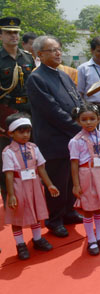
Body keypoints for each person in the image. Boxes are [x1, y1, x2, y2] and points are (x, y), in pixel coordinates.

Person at [26, 35, 83, 238]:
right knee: (57, 181)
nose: (58, 53)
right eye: (52, 50)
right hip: (54, 139)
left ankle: (68, 212)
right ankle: (54, 219)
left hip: (71, 139)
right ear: (39, 54)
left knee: (70, 178)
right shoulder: (37, 78)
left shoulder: (63, 75)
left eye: (59, 49)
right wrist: (79, 130)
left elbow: (76, 100)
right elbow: (53, 112)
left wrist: (85, 118)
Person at [3, 113, 60, 260]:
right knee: (17, 216)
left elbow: (41, 168)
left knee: (36, 213)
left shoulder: (34, 148)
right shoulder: (8, 152)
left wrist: (50, 184)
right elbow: (9, 174)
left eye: (28, 131)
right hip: (18, 187)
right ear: (11, 133)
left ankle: (37, 239)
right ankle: (20, 244)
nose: (25, 135)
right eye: (21, 132)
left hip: (34, 185)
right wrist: (11, 195)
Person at [69, 103, 100, 255]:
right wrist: (76, 185)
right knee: (89, 208)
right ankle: (91, 239)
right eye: (84, 119)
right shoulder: (76, 141)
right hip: (86, 174)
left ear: (99, 119)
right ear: (78, 121)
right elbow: (74, 163)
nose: (88, 122)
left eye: (92, 119)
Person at [0, 17, 35, 203]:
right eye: (8, 32)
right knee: (7, 159)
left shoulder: (27, 57)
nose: (13, 35)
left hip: (28, 111)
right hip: (7, 112)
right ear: (1, 35)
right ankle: (10, 200)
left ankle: (32, 199)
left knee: (31, 154)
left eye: (15, 32)